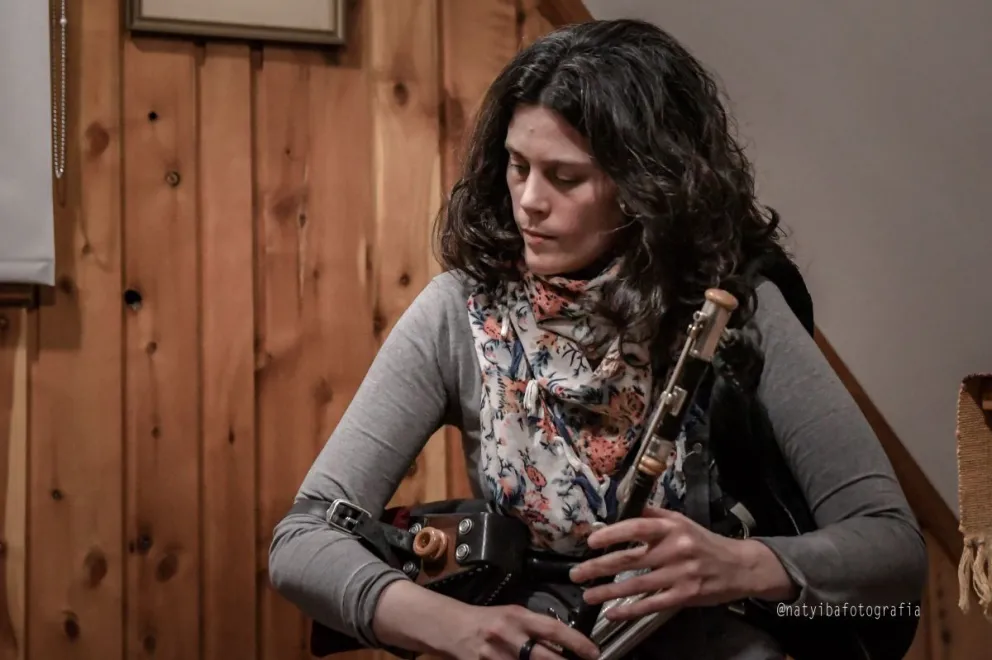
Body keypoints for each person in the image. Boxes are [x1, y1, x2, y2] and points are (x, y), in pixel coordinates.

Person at [268, 18, 928, 660]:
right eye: (517, 165)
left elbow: (891, 548)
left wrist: (743, 564)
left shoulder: (738, 311)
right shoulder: (457, 313)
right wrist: (453, 627)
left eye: (565, 177)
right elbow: (301, 540)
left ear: (648, 188)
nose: (527, 200)